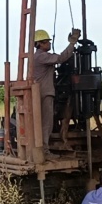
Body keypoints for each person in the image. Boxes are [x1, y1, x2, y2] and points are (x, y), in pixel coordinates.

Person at [33, 28, 81, 158]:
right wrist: (72, 43)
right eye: (47, 42)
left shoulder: (37, 56)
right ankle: (44, 151)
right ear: (40, 44)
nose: (49, 43)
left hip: (40, 93)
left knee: (43, 122)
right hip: (44, 93)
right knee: (46, 123)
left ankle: (41, 149)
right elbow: (61, 58)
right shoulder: (42, 56)